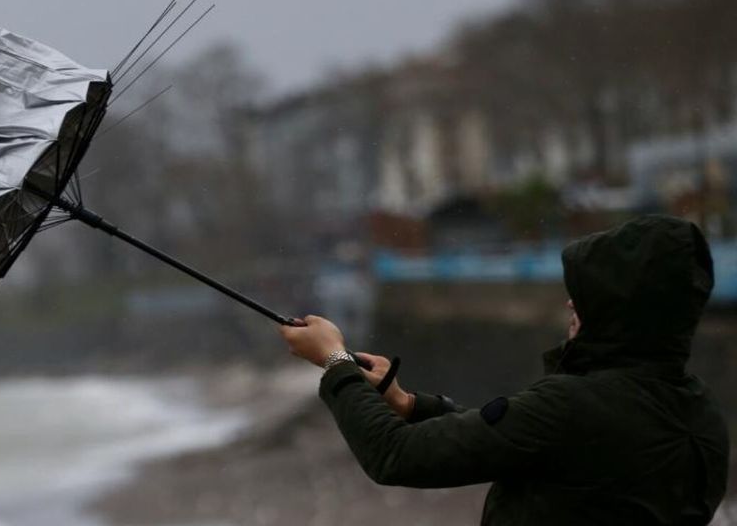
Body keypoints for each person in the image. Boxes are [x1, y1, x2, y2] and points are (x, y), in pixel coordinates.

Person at [279, 215, 729, 524]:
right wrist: (409, 404)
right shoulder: (701, 416)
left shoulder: (573, 407)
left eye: (588, 294)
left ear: (622, 309)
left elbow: (396, 455)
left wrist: (334, 360)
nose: (570, 303)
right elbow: (526, 444)